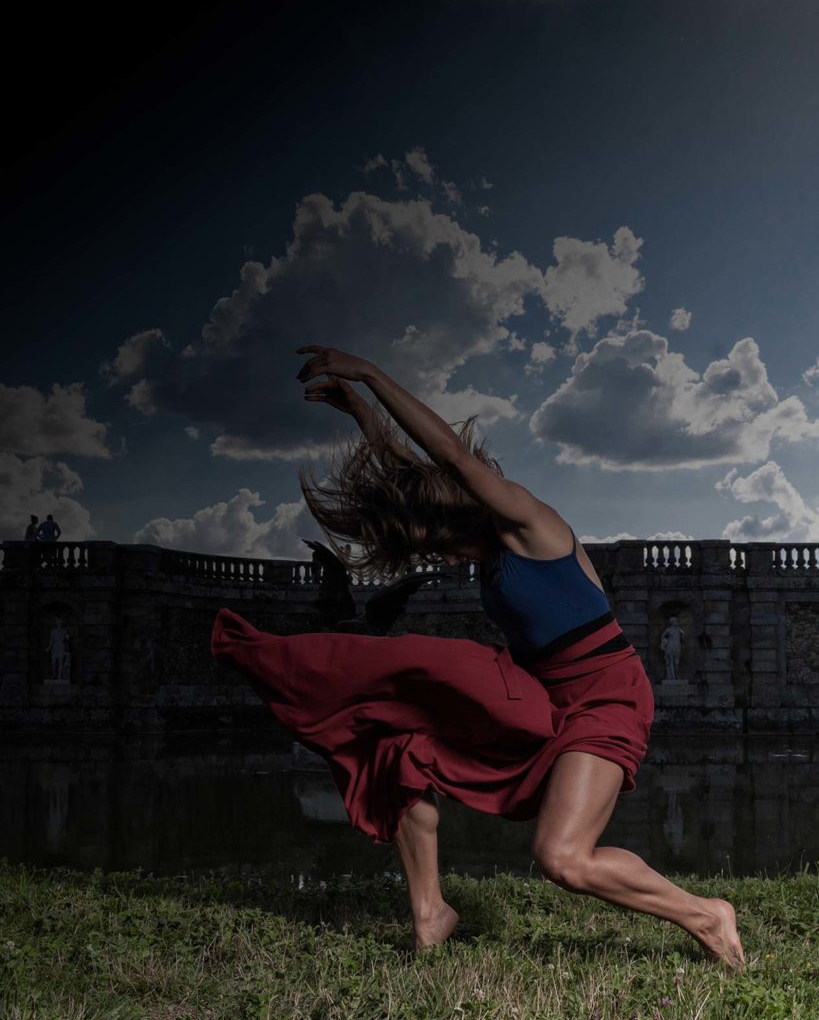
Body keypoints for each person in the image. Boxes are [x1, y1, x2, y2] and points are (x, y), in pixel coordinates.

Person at [210, 345, 745, 969]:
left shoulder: (527, 523)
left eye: (432, 539)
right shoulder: (484, 555)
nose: (436, 556)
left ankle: (707, 914)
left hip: (606, 698)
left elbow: (451, 458)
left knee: (563, 858)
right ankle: (430, 913)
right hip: (541, 699)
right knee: (402, 749)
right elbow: (421, 476)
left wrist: (374, 375)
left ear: (450, 514)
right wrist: (365, 419)